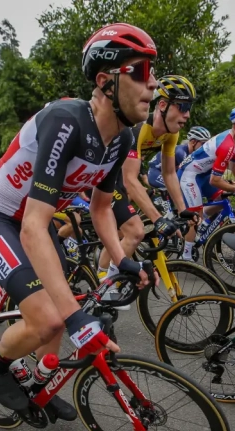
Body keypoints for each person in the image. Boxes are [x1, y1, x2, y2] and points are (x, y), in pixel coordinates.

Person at [0, 23, 156, 417]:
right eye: (142, 72)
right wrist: (75, 320)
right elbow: (33, 226)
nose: (153, 84)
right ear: (107, 82)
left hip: (34, 220)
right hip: (0, 216)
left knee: (61, 304)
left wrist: (121, 259)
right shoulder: (66, 120)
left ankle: (39, 378)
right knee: (52, 319)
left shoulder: (121, 138)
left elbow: (102, 208)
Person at [96, 74, 197, 278]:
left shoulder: (171, 133)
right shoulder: (139, 129)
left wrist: (182, 209)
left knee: (124, 232)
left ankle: (105, 273)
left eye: (189, 109)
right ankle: (104, 285)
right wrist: (158, 219)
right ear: (162, 105)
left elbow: (169, 173)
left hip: (117, 177)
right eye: (182, 107)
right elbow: (129, 179)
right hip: (100, 176)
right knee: (136, 230)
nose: (187, 115)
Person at [177, 106, 235, 260]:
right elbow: (215, 180)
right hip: (190, 176)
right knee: (195, 216)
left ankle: (202, 225)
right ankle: (185, 256)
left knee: (221, 202)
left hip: (203, 174)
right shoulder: (227, 145)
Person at [147, 126, 211, 191]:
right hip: (155, 173)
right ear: (193, 142)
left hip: (166, 174)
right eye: (203, 143)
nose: (205, 147)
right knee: (181, 189)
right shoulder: (181, 153)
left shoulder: (190, 153)